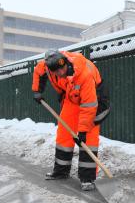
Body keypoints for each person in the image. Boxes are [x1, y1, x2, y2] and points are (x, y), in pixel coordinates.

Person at [32, 50, 109, 191]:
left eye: (63, 68)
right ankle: (61, 171)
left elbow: (88, 106)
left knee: (88, 139)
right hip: (72, 97)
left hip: (94, 100)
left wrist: (83, 131)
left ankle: (87, 178)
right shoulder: (47, 65)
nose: (61, 72)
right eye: (57, 71)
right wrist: (37, 91)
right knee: (64, 134)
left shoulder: (84, 74)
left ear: (66, 62)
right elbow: (38, 72)